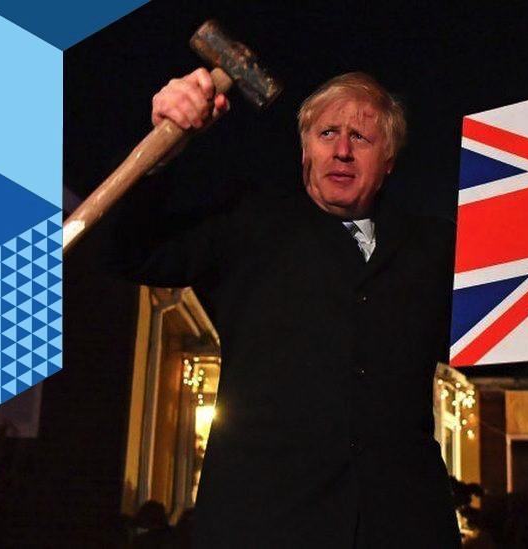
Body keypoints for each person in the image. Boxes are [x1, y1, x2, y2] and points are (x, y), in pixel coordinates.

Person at [105, 69, 461, 548]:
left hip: (402, 526)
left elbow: (507, 329)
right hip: (263, 524)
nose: (342, 150)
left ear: (390, 158)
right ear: (304, 149)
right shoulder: (249, 223)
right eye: (327, 133)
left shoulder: (435, 248)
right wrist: (162, 147)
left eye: (362, 136)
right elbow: (131, 251)